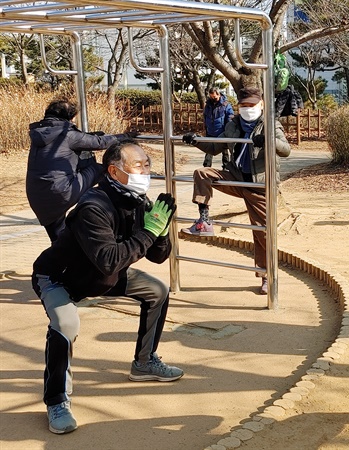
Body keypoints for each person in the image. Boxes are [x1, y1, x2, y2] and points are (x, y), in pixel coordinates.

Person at [31, 140, 183, 435]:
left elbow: (157, 256)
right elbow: (110, 261)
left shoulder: (140, 202)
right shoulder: (93, 207)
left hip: (100, 279)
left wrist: (162, 233)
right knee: (65, 322)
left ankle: (144, 363)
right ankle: (57, 400)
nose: (146, 171)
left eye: (147, 165)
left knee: (157, 290)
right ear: (114, 171)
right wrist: (149, 231)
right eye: (138, 166)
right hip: (58, 277)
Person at [181, 86, 291, 295]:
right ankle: (204, 221)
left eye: (252, 105)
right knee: (202, 173)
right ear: (238, 107)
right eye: (243, 106)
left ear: (261, 105)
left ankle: (267, 276)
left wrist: (269, 140)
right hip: (238, 178)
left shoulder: (269, 125)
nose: (248, 109)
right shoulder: (234, 125)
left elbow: (286, 150)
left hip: (259, 185)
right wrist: (196, 140)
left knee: (262, 233)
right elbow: (215, 147)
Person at [26, 98, 136, 242]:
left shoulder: (40, 133)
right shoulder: (67, 133)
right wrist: (126, 136)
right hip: (63, 191)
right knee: (101, 169)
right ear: (69, 118)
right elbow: (100, 143)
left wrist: (90, 136)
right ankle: (114, 207)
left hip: (37, 196)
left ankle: (61, 261)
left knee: (59, 241)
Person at [202, 87, 234, 168]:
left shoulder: (226, 105)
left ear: (219, 95)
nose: (213, 98)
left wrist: (228, 131)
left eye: (215, 97)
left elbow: (230, 118)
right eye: (211, 97)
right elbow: (205, 117)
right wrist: (205, 128)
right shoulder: (208, 105)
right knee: (208, 152)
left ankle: (226, 168)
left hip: (222, 132)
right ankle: (207, 167)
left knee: (225, 151)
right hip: (210, 132)